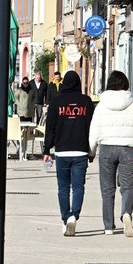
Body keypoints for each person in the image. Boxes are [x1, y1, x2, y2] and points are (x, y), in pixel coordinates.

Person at [88, 70, 133, 236]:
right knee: (128, 186)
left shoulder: (101, 105)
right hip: (129, 149)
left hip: (107, 148)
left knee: (107, 189)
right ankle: (126, 214)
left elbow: (94, 131)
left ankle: (108, 226)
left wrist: (91, 151)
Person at [42, 70, 95, 237]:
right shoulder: (86, 102)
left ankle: (66, 219)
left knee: (63, 187)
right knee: (78, 187)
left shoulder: (57, 102)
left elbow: (50, 128)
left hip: (62, 151)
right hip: (80, 150)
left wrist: (46, 150)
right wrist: (92, 150)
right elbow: (92, 129)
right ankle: (74, 215)